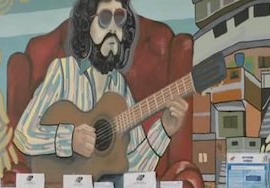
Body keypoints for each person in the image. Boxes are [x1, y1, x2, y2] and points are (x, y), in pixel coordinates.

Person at [15, 0, 188, 173]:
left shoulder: (119, 86)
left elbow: (132, 167)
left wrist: (164, 130)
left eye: (119, 19)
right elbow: (23, 135)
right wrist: (69, 139)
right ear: (86, 26)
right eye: (105, 19)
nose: (113, 28)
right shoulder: (63, 71)